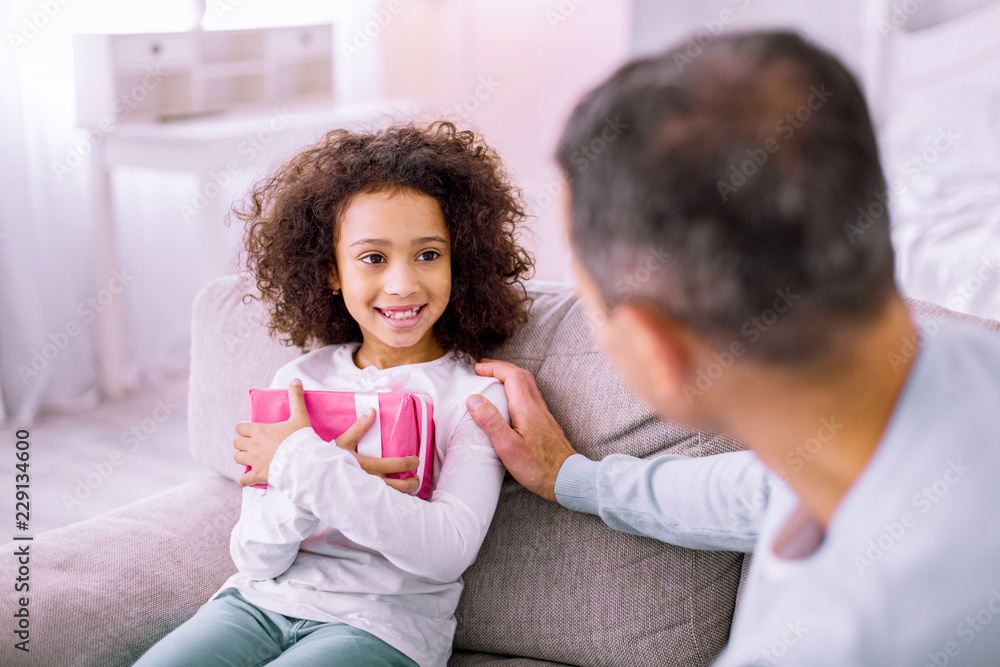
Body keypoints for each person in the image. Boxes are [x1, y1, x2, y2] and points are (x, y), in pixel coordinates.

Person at [464, 31, 1000, 665]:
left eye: (593, 308)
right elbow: (759, 490)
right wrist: (573, 479)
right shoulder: (953, 365)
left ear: (658, 352)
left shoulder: (848, 639)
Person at [134, 121, 533, 667]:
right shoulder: (298, 379)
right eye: (373, 258)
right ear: (331, 273)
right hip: (254, 606)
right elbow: (254, 555)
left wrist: (306, 462)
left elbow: (443, 553)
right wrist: (315, 479)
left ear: (459, 262)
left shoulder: (474, 397)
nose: (402, 285)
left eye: (428, 254)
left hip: (383, 627)